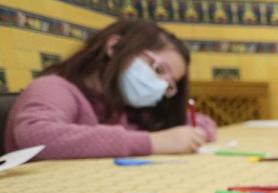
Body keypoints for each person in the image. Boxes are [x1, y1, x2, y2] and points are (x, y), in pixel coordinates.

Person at [5, 19, 215, 159]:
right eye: (159, 69)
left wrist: (194, 133)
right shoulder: (53, 86)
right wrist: (152, 141)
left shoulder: (120, 104)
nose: (160, 87)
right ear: (114, 47)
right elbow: (35, 135)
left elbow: (200, 123)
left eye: (169, 85)